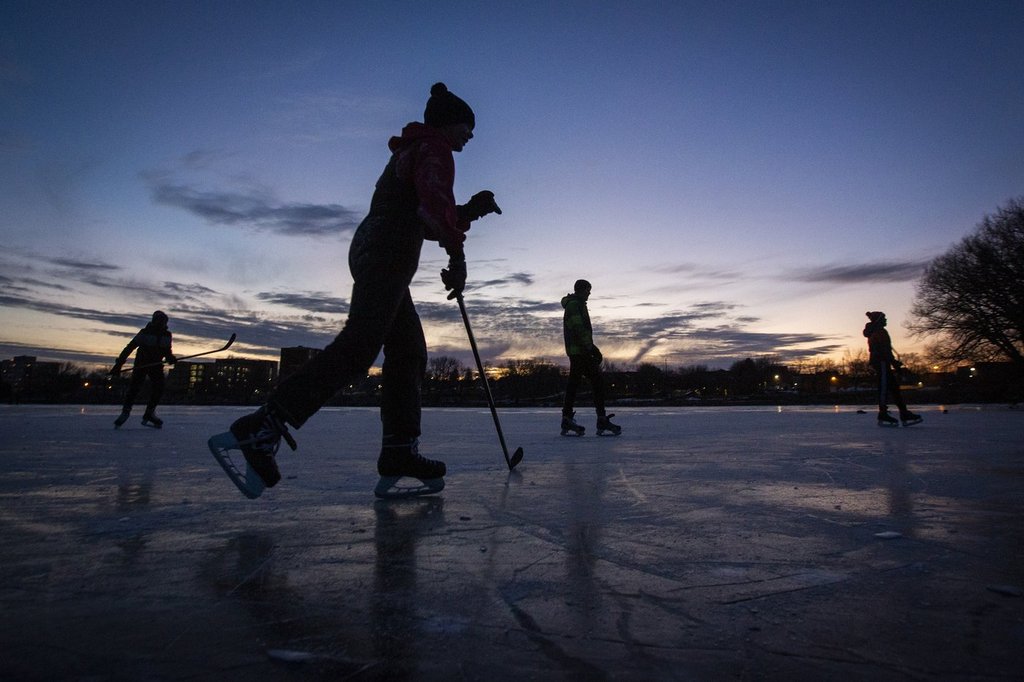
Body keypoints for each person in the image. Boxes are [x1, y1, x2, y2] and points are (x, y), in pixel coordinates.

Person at [209, 82, 502, 499]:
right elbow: (433, 210)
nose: (470, 136)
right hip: (387, 252)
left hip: (375, 248)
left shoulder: (413, 149)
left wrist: (468, 211)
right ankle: (264, 426)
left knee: (408, 351)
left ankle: (399, 451)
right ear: (448, 123)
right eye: (467, 127)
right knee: (362, 343)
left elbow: (422, 210)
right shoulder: (434, 148)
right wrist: (458, 259)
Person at [560, 279, 621, 436]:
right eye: (588, 290)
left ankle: (567, 418)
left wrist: (591, 347)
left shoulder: (578, 304)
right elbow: (579, 329)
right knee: (596, 382)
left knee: (575, 383)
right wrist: (591, 348)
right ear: (581, 290)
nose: (589, 293)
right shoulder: (575, 305)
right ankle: (600, 419)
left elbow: (580, 330)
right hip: (580, 351)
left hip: (578, 350)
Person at [110, 310, 176, 429]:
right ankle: (126, 412)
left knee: (159, 388)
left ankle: (149, 412)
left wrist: (170, 358)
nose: (161, 323)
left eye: (163, 321)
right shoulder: (145, 333)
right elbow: (129, 348)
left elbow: (167, 351)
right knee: (134, 388)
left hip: (156, 365)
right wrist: (119, 364)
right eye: (159, 321)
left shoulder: (167, 335)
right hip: (141, 364)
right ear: (154, 321)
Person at [863, 311, 922, 426]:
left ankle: (903, 412)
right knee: (884, 388)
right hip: (881, 362)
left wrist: (893, 362)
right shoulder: (879, 332)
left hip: (883, 362)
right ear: (879, 320)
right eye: (884, 318)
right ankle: (883, 413)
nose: (886, 320)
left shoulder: (878, 331)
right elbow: (884, 351)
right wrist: (893, 362)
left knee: (894, 388)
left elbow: (886, 350)